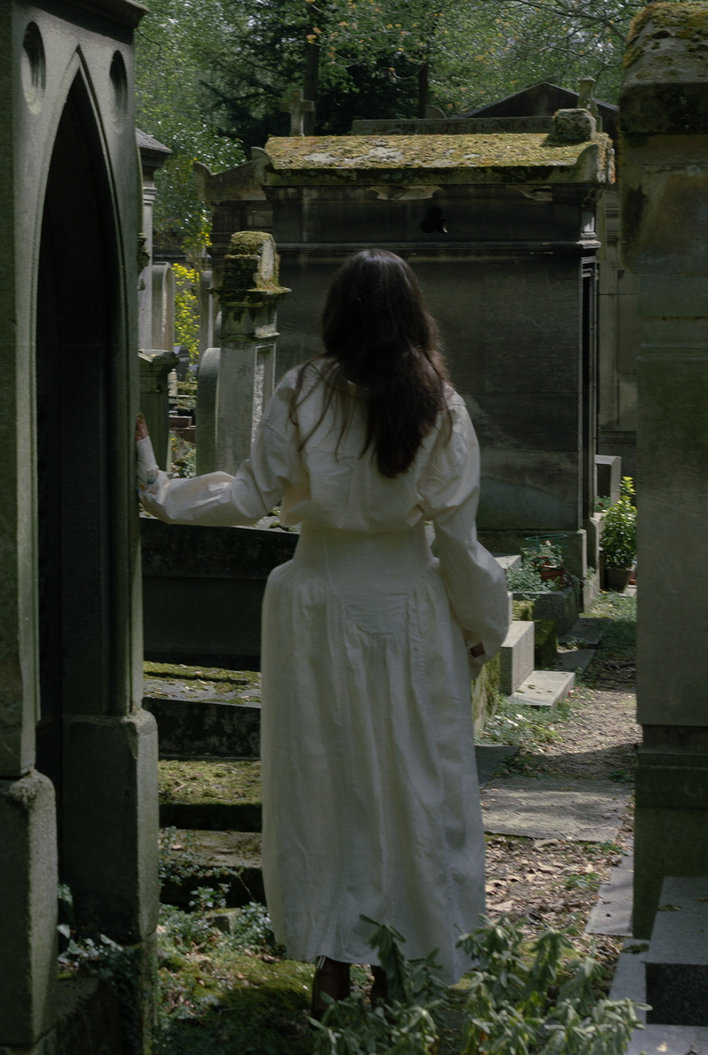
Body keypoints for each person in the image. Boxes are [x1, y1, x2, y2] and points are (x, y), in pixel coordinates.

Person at [136, 248, 510, 1014]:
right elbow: (457, 537)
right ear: (413, 315)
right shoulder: (440, 405)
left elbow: (250, 497)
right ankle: (396, 961)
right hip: (406, 609)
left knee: (322, 777)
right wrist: (481, 624)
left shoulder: (302, 390)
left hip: (316, 604)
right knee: (411, 779)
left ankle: (333, 962)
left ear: (337, 313)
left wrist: (159, 488)